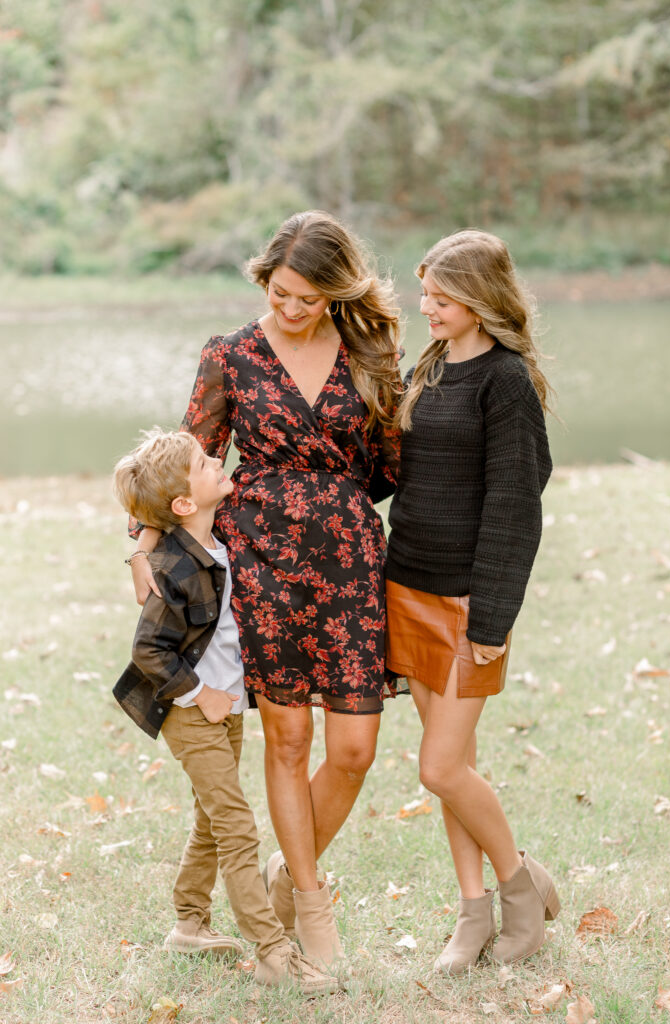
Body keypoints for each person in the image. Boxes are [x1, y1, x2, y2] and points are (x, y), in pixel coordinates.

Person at [129, 211, 403, 967]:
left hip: (348, 564)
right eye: (281, 292)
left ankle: (287, 874)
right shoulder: (232, 354)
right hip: (259, 564)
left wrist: (332, 504)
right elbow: (186, 457)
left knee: (353, 747)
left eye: (308, 299)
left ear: (337, 294)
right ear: (265, 280)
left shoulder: (371, 352)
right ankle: (310, 912)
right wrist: (142, 545)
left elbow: (388, 463)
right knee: (287, 740)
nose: (290, 309)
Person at [384, 229, 558, 974]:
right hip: (406, 585)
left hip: (463, 601)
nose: (426, 306)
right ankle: (471, 911)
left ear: (481, 298)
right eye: (423, 292)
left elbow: (515, 503)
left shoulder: (505, 380)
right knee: (451, 762)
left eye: (441, 296)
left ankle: (520, 888)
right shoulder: (426, 367)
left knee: (440, 768)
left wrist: (491, 617)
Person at [112, 430, 337, 995]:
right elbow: (148, 650)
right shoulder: (176, 568)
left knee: (212, 820)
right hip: (196, 712)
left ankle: (188, 923)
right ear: (184, 503)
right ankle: (273, 951)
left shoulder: (213, 543)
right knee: (236, 828)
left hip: (225, 709)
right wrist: (199, 694)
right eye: (205, 462)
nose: (219, 461)